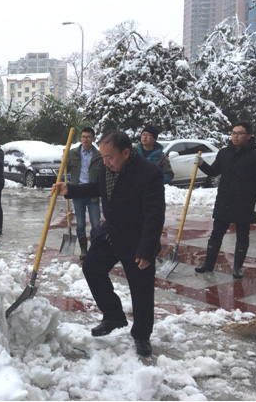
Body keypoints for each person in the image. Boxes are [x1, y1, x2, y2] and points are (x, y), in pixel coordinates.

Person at [52, 131, 165, 357]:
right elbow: (97, 187)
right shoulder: (107, 168)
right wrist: (70, 189)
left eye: (109, 157)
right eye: (103, 157)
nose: (105, 162)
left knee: (141, 288)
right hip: (112, 232)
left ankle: (141, 335)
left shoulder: (149, 173)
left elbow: (155, 215)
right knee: (92, 267)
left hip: (137, 238)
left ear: (126, 153)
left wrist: (147, 250)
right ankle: (114, 315)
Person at [194, 122, 256, 279]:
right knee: (216, 234)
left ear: (248, 136)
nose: (235, 136)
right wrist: (202, 164)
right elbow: (213, 171)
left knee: (242, 235)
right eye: (233, 133)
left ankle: (237, 267)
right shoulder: (224, 153)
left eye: (239, 133)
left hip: (245, 201)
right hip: (225, 200)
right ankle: (208, 264)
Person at [66, 127, 102, 259]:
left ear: (93, 139)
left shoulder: (98, 155)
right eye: (83, 137)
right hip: (78, 192)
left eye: (88, 137)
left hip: (93, 193)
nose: (85, 140)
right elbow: (65, 169)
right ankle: (83, 250)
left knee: (96, 224)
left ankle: (94, 248)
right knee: (80, 224)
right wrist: (64, 161)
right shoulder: (73, 153)